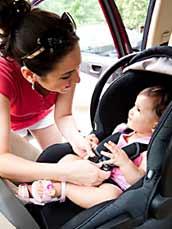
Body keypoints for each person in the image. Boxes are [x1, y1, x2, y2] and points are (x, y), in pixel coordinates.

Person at [0, 0, 109, 186]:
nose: (77, 79)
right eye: (66, 75)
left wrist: (77, 140)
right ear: (29, 74)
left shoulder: (67, 68)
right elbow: (2, 160)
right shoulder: (3, 77)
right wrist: (65, 173)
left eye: (77, 68)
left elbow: (64, 115)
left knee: (51, 156)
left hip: (40, 116)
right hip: (8, 123)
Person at [16, 86, 171, 208]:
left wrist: (125, 163)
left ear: (155, 126)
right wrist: (93, 141)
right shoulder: (122, 129)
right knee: (68, 158)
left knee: (111, 196)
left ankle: (60, 190)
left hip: (113, 184)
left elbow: (139, 179)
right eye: (134, 105)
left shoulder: (148, 149)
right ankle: (48, 181)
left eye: (138, 110)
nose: (131, 111)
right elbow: (104, 144)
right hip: (93, 167)